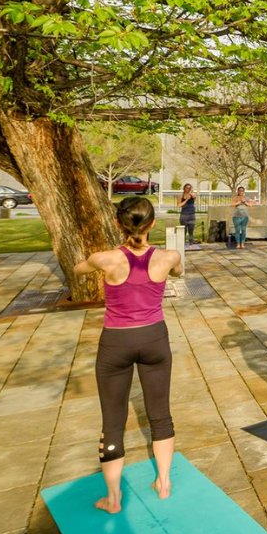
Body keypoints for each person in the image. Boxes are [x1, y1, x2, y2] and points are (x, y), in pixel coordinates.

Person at [75, 197, 182, 514]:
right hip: (154, 339)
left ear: (119, 224)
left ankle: (113, 498)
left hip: (116, 344)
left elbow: (78, 269)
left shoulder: (105, 259)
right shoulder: (168, 256)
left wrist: (94, 265)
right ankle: (163, 482)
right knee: (160, 414)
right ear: (152, 224)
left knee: (113, 421)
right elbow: (176, 271)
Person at [176, 183, 197, 247]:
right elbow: (179, 205)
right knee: (183, 231)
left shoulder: (192, 195)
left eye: (190, 188)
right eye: (187, 188)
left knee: (191, 230)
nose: (188, 189)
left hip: (192, 215)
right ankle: (182, 244)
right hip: (184, 215)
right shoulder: (180, 196)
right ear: (184, 188)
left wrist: (190, 193)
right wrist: (186, 199)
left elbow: (194, 196)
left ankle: (191, 244)